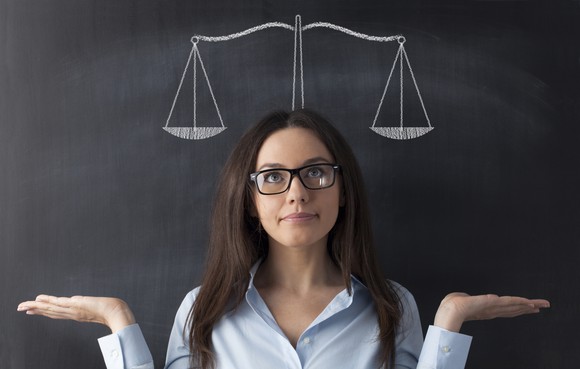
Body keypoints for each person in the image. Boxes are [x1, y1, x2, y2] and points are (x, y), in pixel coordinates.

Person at [18, 109, 549, 369]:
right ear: (250, 200)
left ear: (343, 191)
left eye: (316, 172)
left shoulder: (392, 307)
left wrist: (450, 321)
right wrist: (119, 322)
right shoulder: (202, 311)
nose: (296, 194)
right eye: (273, 177)